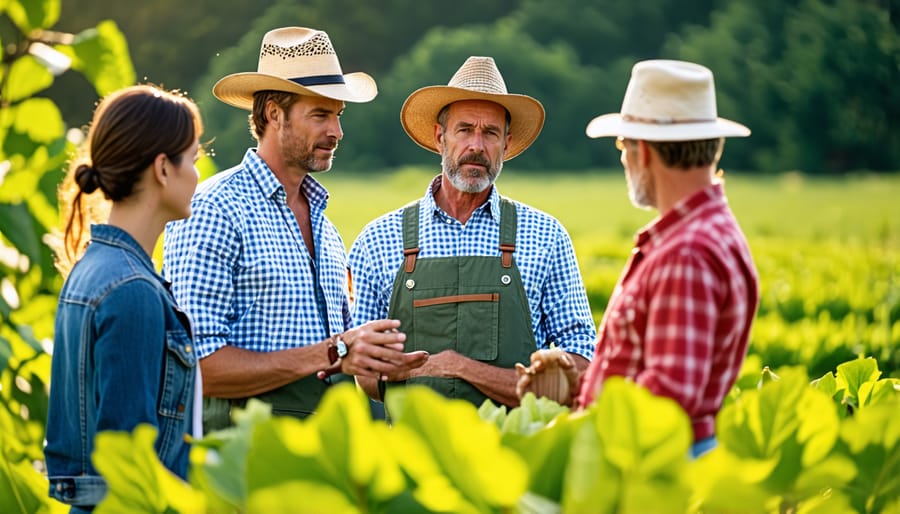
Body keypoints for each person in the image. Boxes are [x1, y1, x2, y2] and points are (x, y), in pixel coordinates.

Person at [163, 27, 427, 430]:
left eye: (338, 116)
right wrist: (337, 351)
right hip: (241, 458)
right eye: (320, 115)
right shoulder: (214, 208)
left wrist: (373, 357)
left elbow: (337, 359)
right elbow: (198, 365)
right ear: (273, 114)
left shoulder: (326, 228)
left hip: (320, 458)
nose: (336, 132)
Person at [517, 59, 760, 458]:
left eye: (622, 145)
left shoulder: (685, 253)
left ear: (643, 151)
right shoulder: (706, 232)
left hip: (656, 473)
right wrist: (581, 384)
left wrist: (565, 435)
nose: (622, 159)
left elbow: (666, 400)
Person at [349, 56, 596, 408]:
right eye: (464, 129)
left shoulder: (546, 236)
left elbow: (583, 367)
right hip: (410, 455)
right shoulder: (378, 240)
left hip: (517, 455)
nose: (476, 146)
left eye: (490, 133)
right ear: (440, 137)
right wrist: (436, 368)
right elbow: (366, 375)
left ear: (507, 144)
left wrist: (460, 368)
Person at [44, 85, 204, 512]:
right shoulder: (132, 290)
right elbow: (127, 472)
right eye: (192, 159)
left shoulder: (91, 269)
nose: (197, 175)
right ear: (162, 169)